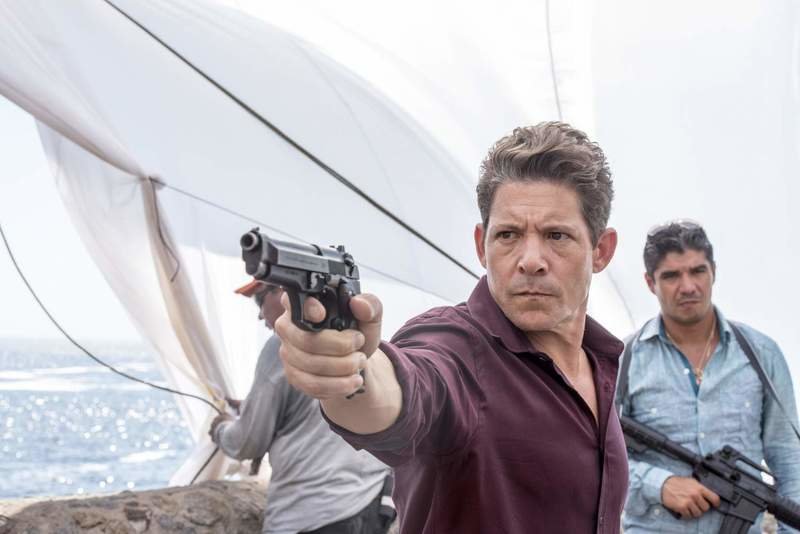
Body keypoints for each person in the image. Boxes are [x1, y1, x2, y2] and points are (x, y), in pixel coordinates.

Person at [275, 122, 629, 533]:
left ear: (601, 250)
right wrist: (352, 371)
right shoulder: (454, 345)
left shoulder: (601, 361)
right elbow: (406, 389)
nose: (531, 260)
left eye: (556, 235)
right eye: (508, 234)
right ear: (481, 245)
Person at [617, 220, 800, 533]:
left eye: (697, 271)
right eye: (671, 276)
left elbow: (789, 460)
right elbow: (597, 456)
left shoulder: (761, 354)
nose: (688, 286)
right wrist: (658, 484)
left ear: (713, 272)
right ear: (650, 282)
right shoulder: (625, 358)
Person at [209, 280, 395, 534]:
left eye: (260, 300)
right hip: (371, 506)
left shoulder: (280, 346)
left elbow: (247, 442)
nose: (260, 314)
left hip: (310, 516)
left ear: (284, 290)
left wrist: (221, 428)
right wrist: (253, 406)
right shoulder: (358, 334)